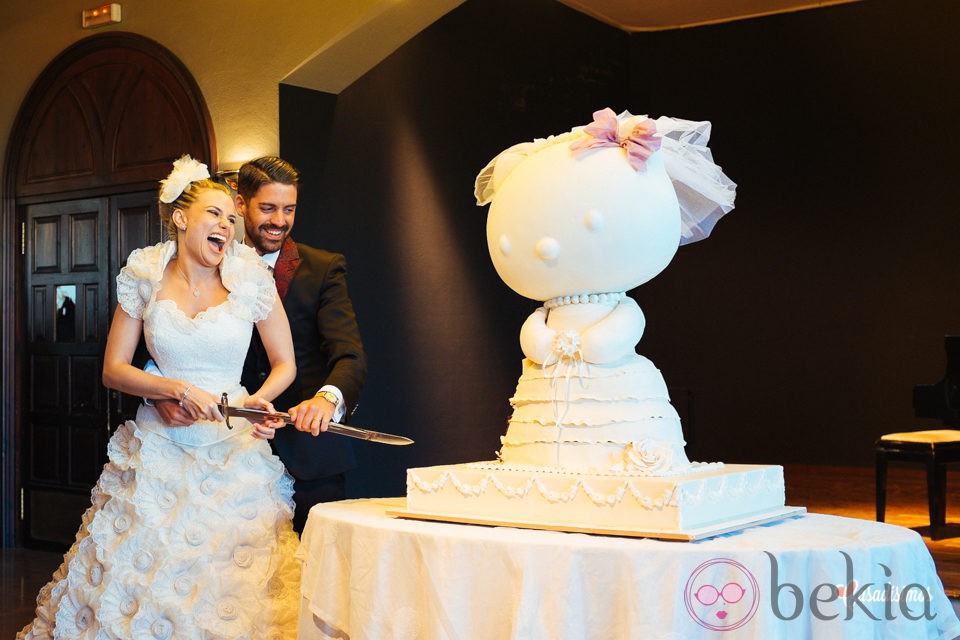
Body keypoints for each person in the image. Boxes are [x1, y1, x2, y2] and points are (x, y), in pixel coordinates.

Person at [18, 156, 302, 640]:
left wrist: (256, 400)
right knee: (138, 580)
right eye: (216, 215)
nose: (227, 227)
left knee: (230, 588)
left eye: (231, 219)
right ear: (180, 217)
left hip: (232, 457)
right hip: (157, 452)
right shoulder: (144, 276)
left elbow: (285, 365)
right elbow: (114, 370)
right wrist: (171, 389)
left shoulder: (250, 278)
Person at [153, 155, 367, 533]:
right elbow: (154, 344)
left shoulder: (324, 268)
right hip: (219, 452)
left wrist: (326, 400)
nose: (280, 220)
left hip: (307, 455)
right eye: (268, 208)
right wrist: (161, 396)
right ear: (240, 204)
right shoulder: (200, 263)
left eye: (289, 209)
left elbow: (348, 355)